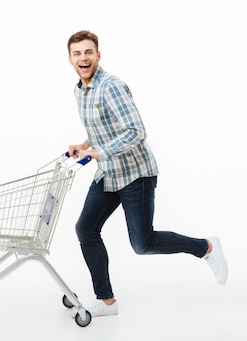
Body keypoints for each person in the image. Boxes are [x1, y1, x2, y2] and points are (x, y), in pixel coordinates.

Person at [66, 30, 228, 318]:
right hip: (108, 173)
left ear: (98, 55)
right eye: (77, 53)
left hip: (135, 174)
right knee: (86, 229)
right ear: (70, 59)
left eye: (88, 52)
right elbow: (102, 126)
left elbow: (137, 132)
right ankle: (106, 302)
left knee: (143, 244)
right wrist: (85, 144)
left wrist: (98, 153)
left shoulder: (111, 86)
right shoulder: (79, 89)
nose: (83, 58)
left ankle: (206, 247)